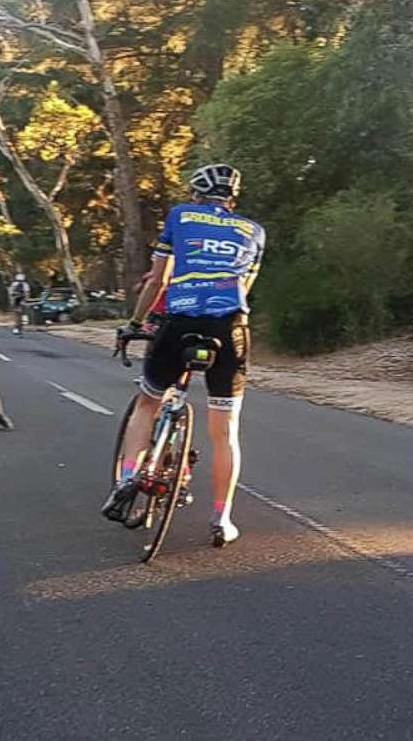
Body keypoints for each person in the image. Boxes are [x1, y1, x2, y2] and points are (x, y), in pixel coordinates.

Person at [103, 163, 264, 547]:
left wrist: (135, 321)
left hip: (181, 318)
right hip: (230, 326)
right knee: (225, 431)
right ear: (232, 199)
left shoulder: (180, 214)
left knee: (148, 403)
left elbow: (158, 278)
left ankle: (128, 477)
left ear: (196, 195)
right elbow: (245, 286)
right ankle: (222, 519)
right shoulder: (254, 230)